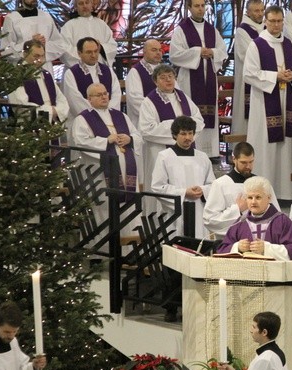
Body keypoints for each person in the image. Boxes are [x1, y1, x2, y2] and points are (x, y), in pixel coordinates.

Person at [243, 5, 292, 200]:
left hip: (286, 99)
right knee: (266, 147)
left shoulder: (290, 45)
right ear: (266, 21)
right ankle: (263, 193)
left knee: (286, 146)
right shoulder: (257, 45)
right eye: (272, 21)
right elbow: (249, 74)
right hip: (264, 104)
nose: (276, 25)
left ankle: (285, 193)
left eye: (280, 21)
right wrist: (275, 76)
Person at [71, 83, 142, 252]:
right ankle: (102, 252)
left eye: (105, 93)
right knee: (103, 207)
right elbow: (80, 142)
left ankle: (129, 252)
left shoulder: (120, 116)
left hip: (127, 171)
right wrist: (105, 141)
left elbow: (138, 136)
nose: (104, 97)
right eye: (98, 95)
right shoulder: (83, 119)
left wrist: (129, 139)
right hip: (100, 174)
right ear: (89, 99)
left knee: (128, 208)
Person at [138, 64, 204, 215]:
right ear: (155, 81)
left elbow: (199, 120)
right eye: (163, 77)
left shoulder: (183, 97)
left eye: (171, 76)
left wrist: (186, 134)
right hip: (161, 151)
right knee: (162, 187)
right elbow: (147, 129)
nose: (168, 80)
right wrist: (177, 128)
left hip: (187, 151)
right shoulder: (149, 102)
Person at [170, 0, 226, 159]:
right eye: (197, 6)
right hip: (189, 79)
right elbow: (175, 55)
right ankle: (194, 147)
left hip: (209, 78)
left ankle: (212, 152)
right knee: (192, 112)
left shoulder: (212, 30)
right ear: (189, 7)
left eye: (203, 6)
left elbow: (223, 51)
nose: (201, 9)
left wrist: (212, 52)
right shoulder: (181, 30)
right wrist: (197, 52)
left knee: (209, 114)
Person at [151, 115, 214, 239]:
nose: (188, 138)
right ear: (175, 135)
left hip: (198, 212)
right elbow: (157, 187)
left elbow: (212, 184)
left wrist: (203, 190)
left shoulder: (202, 157)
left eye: (190, 133)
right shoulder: (165, 156)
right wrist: (184, 193)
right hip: (175, 214)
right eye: (183, 134)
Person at [203, 142, 280, 238]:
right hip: (231, 244)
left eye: (251, 162)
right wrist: (237, 209)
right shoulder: (220, 184)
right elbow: (210, 220)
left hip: (259, 242)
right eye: (244, 162)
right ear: (234, 159)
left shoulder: (262, 184)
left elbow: (276, 216)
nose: (248, 166)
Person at [217, 176, 292, 261]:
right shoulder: (240, 223)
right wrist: (237, 247)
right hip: (246, 273)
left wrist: (267, 248)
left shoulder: (282, 221)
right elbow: (221, 251)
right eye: (250, 198)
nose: (253, 202)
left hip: (275, 273)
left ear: (269, 198)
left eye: (258, 197)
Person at [62, 37, 122, 131]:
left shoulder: (108, 71)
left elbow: (116, 95)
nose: (93, 55)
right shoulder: (71, 74)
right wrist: (97, 117)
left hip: (110, 122)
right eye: (89, 52)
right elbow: (75, 101)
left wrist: (107, 115)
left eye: (96, 51)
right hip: (84, 124)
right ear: (79, 53)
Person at [8, 39, 70, 124]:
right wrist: (51, 111)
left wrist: (57, 111)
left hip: (51, 124)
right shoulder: (17, 75)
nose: (40, 60)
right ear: (25, 54)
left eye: (42, 56)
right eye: (36, 56)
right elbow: (21, 105)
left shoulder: (46, 74)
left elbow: (61, 99)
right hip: (28, 127)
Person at [0, 0, 66, 74]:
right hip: (22, 70)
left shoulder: (46, 16)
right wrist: (29, 45)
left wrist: (42, 46)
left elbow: (59, 45)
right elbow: (6, 50)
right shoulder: (12, 19)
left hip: (45, 68)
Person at [231, 0, 265, 139]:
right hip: (248, 81)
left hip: (265, 79)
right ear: (248, 12)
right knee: (246, 116)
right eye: (256, 11)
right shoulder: (242, 31)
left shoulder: (267, 28)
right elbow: (246, 55)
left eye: (262, 10)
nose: (260, 14)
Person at [60, 0, 117, 67]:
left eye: (87, 2)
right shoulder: (68, 26)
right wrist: (85, 54)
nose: (85, 6)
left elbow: (112, 46)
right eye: (81, 4)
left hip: (100, 68)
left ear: (91, 4)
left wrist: (101, 47)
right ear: (76, 7)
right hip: (77, 71)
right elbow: (63, 49)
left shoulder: (102, 24)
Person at [125, 39, 163, 126]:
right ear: (144, 52)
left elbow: (175, 93)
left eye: (160, 50)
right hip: (144, 122)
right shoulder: (135, 72)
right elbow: (135, 100)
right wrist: (160, 111)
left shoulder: (166, 71)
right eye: (154, 50)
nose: (158, 53)